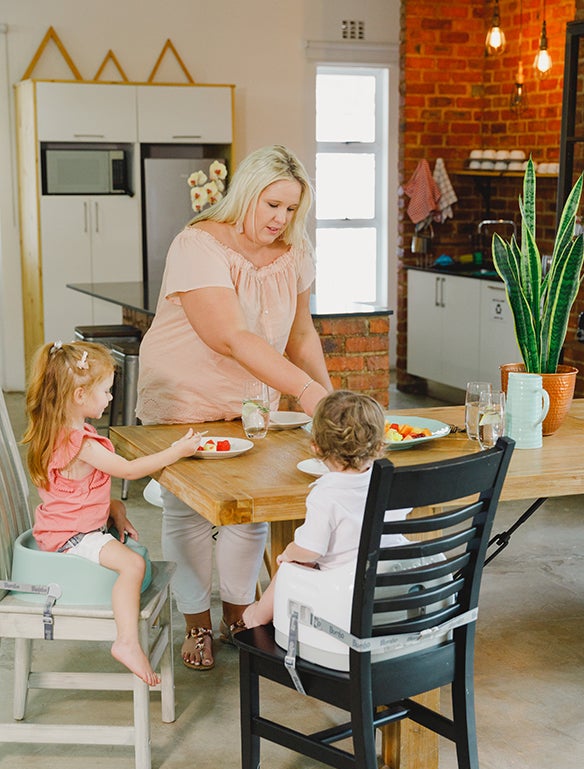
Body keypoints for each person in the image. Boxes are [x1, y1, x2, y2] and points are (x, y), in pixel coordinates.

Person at [136, 144, 333, 670]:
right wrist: (308, 394)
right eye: (271, 205)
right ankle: (196, 626)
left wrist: (330, 401)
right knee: (190, 515)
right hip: (184, 397)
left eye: (291, 209)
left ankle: (239, 617)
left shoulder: (294, 251)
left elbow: (301, 334)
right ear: (247, 193)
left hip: (247, 401)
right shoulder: (197, 245)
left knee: (250, 515)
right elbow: (228, 335)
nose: (281, 219)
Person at [23, 340, 203, 684]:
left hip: (62, 527)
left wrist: (113, 508)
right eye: (105, 391)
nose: (109, 398)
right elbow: (130, 470)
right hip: (72, 538)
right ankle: (126, 641)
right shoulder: (84, 445)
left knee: (121, 522)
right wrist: (176, 451)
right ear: (79, 395)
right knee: (133, 564)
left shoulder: (63, 433)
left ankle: (128, 637)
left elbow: (75, 493)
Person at [241, 390, 384, 630]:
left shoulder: (326, 493)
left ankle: (257, 618)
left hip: (345, 599)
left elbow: (310, 550)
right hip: (390, 586)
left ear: (316, 447)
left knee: (293, 565)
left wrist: (289, 552)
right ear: (379, 445)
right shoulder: (388, 482)